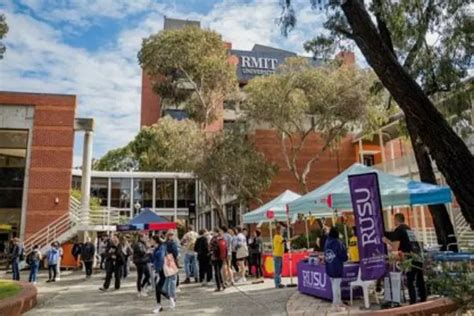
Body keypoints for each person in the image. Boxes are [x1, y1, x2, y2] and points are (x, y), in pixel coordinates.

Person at [384, 213, 426, 305]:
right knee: (420, 279)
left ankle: (413, 301)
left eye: (394, 220)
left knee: (410, 280)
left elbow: (395, 246)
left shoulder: (399, 230)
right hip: (418, 255)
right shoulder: (408, 229)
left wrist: (387, 241)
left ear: (396, 219)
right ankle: (423, 299)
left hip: (409, 257)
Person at [324, 227, 348, 311]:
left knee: (334, 285)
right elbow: (343, 256)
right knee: (336, 285)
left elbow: (326, 254)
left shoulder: (327, 242)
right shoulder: (338, 243)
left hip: (329, 266)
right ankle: (335, 305)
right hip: (337, 266)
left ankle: (339, 302)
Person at [151, 235, 167, 314]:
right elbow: (154, 259)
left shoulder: (161, 247)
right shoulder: (156, 248)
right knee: (157, 288)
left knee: (158, 288)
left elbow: (161, 258)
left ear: (155, 240)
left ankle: (161, 304)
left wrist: (157, 270)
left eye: (151, 240)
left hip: (162, 270)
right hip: (157, 270)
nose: (151, 241)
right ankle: (159, 304)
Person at [210, 228, 227, 292]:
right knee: (219, 271)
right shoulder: (222, 238)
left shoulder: (214, 239)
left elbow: (210, 248)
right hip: (221, 257)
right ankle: (223, 284)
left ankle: (219, 286)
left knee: (216, 273)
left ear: (215, 232)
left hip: (215, 257)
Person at [165, 230, 178, 308]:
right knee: (173, 279)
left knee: (167, 279)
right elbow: (175, 253)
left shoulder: (164, 243)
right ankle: (172, 296)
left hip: (165, 262)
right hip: (171, 261)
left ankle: (168, 294)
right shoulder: (172, 243)